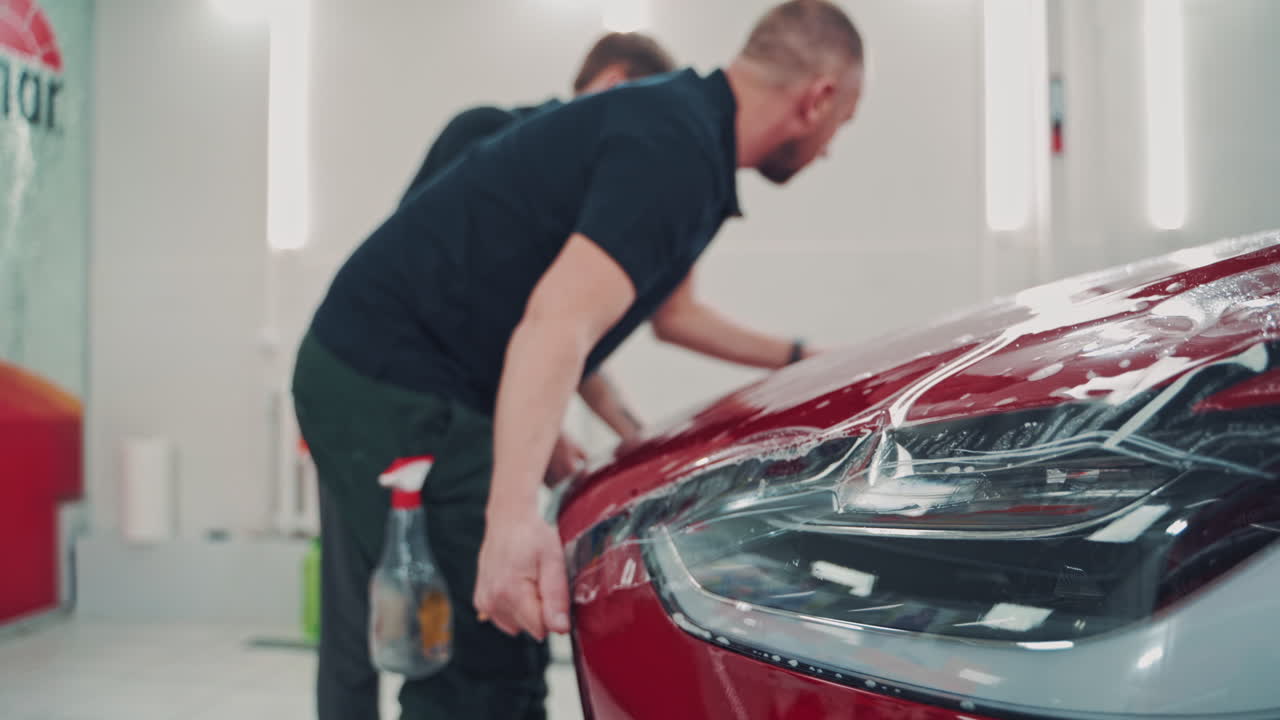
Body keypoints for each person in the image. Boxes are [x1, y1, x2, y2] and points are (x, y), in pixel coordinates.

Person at [292, 1, 865, 717]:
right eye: (842, 127)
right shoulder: (676, 147)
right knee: (487, 657)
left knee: (487, 657)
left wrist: (806, 359)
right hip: (392, 380)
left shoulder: (687, 137)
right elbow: (556, 322)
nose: (831, 148)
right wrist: (509, 524)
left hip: (413, 375)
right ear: (818, 100)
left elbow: (672, 317)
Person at [398, 32, 677, 482]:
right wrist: (538, 436)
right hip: (401, 402)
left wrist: (647, 445)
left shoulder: (577, 199)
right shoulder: (485, 134)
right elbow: (454, 304)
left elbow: (558, 333)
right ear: (612, 85)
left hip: (459, 416)